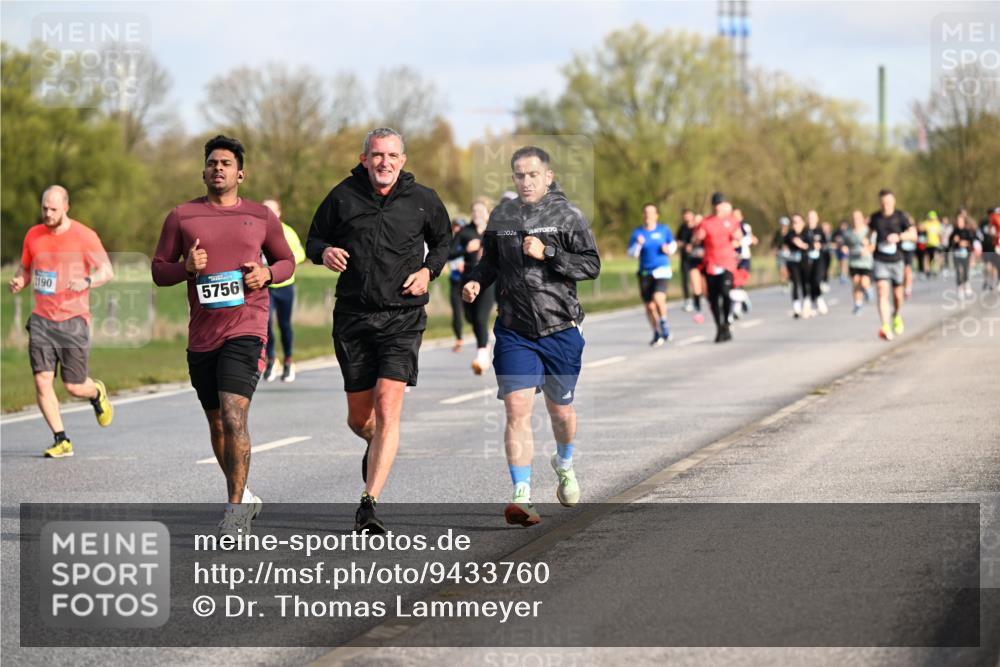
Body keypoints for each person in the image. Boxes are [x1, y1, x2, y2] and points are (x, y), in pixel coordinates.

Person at [306, 127, 451, 533]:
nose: (384, 162)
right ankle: (376, 444)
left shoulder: (424, 200)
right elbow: (313, 239)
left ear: (402, 160)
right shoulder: (342, 197)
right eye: (376, 155)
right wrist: (325, 252)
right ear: (364, 158)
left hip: (402, 317)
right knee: (360, 419)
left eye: (391, 155)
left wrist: (428, 271)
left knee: (389, 406)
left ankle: (368, 504)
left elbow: (443, 244)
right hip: (353, 316)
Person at [152, 135, 295, 536]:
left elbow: (287, 261)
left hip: (246, 326)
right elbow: (159, 270)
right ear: (203, 171)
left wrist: (266, 274)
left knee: (235, 415)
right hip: (202, 335)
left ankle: (234, 516)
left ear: (240, 173)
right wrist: (186, 268)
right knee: (217, 424)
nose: (219, 168)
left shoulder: (261, 217)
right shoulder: (181, 217)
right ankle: (244, 495)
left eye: (226, 163)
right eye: (213, 163)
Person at [462, 146, 600, 527]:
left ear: (548, 176)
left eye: (533, 175)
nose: (526, 181)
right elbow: (489, 261)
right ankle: (521, 495)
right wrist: (475, 281)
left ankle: (565, 462)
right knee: (517, 410)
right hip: (514, 330)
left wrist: (549, 251)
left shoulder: (568, 215)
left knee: (561, 412)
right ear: (513, 179)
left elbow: (591, 265)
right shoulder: (501, 217)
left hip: (560, 328)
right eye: (519, 175)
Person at [9, 185, 115, 458]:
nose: (47, 213)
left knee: (73, 385)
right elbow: (26, 265)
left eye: (53, 209)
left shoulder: (84, 235)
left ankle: (95, 393)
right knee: (42, 381)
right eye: (44, 208)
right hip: (42, 319)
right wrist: (22, 279)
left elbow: (107, 271)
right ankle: (61, 438)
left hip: (73, 319)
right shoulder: (33, 235)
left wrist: (87, 281)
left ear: (66, 207)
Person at [261, 199, 306, 383]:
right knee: (267, 324)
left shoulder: (287, 231)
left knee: (284, 324)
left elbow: (301, 254)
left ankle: (289, 360)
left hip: (285, 285)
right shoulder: (256, 231)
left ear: (279, 213)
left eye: (272, 211)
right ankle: (271, 360)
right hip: (265, 286)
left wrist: (283, 262)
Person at [869, 189, 916, 340]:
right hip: (880, 260)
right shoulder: (875, 218)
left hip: (897, 260)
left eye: (888, 202)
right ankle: (885, 326)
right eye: (883, 203)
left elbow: (914, 235)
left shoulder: (901, 217)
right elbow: (869, 236)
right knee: (882, 292)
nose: (885, 205)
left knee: (897, 294)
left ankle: (896, 314)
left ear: (894, 202)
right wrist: (867, 244)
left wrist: (899, 236)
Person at [695, 192, 742, 342]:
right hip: (711, 264)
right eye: (715, 204)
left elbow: (739, 237)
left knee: (725, 293)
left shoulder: (731, 221)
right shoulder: (706, 222)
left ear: (724, 205)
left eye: (720, 204)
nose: (717, 207)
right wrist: (698, 236)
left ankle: (727, 321)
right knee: (713, 298)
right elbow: (697, 238)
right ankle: (719, 326)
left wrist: (737, 239)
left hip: (727, 263)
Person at [628, 202, 676, 346]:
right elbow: (631, 254)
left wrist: (669, 249)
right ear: (644, 215)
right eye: (646, 212)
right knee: (650, 306)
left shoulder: (663, 230)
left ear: (656, 215)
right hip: (645, 272)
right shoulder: (637, 233)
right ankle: (656, 332)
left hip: (661, 270)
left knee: (658, 298)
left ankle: (664, 323)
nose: (648, 215)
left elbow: (673, 245)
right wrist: (638, 245)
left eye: (651, 212)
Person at [460, 199, 496, 374]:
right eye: (474, 211)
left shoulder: (494, 231)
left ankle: (482, 356)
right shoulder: (465, 232)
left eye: (481, 211)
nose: (477, 215)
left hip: (488, 282)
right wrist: (465, 250)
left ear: (488, 213)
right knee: (471, 318)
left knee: (481, 318)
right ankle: (485, 344)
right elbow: (449, 252)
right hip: (467, 281)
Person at [841, 210, 874, 314]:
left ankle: (868, 289)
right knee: (856, 281)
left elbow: (873, 246)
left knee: (864, 281)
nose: (856, 221)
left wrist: (867, 249)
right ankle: (858, 304)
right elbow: (843, 244)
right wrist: (844, 248)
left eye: (858, 218)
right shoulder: (848, 233)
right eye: (854, 219)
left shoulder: (868, 231)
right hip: (854, 261)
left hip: (866, 262)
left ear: (862, 219)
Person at [447, 217, 468, 353]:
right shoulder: (450, 243)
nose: (456, 229)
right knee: (456, 312)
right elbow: (447, 257)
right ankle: (459, 339)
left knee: (469, 313)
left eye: (459, 226)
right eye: (454, 226)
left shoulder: (469, 242)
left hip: (468, 282)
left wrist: (465, 265)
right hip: (455, 281)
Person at [783, 214, 811, 318]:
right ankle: (796, 308)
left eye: (797, 222)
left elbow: (811, 245)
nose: (795, 225)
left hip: (804, 261)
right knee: (795, 283)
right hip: (793, 262)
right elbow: (784, 244)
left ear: (802, 223)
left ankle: (806, 305)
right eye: (793, 222)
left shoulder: (807, 233)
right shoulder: (790, 234)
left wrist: (803, 245)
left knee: (804, 283)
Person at [731, 208, 757, 317]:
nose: (735, 217)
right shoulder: (728, 226)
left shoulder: (745, 226)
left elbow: (751, 239)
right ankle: (743, 299)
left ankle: (737, 309)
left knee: (739, 283)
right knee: (732, 284)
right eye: (733, 215)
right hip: (732, 258)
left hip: (744, 258)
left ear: (741, 216)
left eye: (737, 215)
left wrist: (739, 242)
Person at [804, 210, 829, 315]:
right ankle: (809, 301)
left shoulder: (820, 231)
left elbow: (825, 244)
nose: (811, 220)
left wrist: (820, 246)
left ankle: (819, 299)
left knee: (817, 280)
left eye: (813, 218)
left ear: (817, 219)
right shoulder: (804, 231)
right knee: (808, 282)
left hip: (819, 260)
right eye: (809, 217)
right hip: (807, 260)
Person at [675, 208, 698, 312]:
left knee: (696, 280)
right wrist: (684, 245)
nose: (687, 217)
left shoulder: (697, 228)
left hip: (696, 258)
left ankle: (697, 298)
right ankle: (687, 300)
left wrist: (693, 245)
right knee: (685, 279)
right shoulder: (682, 228)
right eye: (685, 215)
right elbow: (677, 241)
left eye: (688, 215)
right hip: (685, 257)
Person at [950, 212, 975, 298]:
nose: (959, 222)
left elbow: (972, 242)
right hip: (957, 253)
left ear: (964, 222)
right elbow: (950, 244)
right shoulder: (954, 231)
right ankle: (959, 287)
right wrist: (954, 241)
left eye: (961, 221)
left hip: (966, 253)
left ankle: (966, 283)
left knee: (965, 269)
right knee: (958, 270)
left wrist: (965, 243)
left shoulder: (967, 231)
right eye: (958, 221)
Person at [920, 211, 943, 279]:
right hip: (927, 244)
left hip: (935, 244)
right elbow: (921, 229)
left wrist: (941, 242)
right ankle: (927, 271)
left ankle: (936, 270)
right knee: (927, 258)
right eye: (931, 218)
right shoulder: (926, 223)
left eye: (933, 218)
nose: (932, 219)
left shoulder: (938, 224)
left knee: (936, 257)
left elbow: (940, 234)